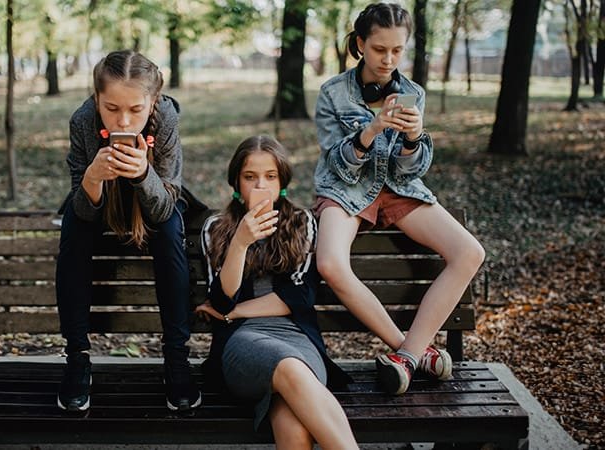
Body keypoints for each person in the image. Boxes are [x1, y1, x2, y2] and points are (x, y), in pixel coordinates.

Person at [312, 2, 486, 395]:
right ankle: (411, 352)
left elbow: (409, 171)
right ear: (360, 44)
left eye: (397, 50)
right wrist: (371, 130)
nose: (388, 60)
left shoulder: (413, 94)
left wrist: (413, 138)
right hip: (346, 189)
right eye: (379, 49)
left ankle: (405, 357)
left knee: (470, 252)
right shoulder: (332, 93)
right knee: (330, 263)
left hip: (398, 189)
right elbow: (338, 166)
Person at [55, 49, 201, 412]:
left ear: (153, 101)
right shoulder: (83, 121)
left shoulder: (166, 118)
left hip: (153, 207)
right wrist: (92, 178)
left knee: (171, 228)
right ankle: (77, 357)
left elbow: (164, 207)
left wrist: (142, 174)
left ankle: (177, 358)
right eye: (111, 108)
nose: (123, 120)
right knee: (73, 226)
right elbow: (83, 209)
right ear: (96, 100)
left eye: (136, 109)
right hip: (100, 209)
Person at [196, 135, 359, 450]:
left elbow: (298, 298)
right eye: (250, 177)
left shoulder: (301, 222)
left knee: (294, 429)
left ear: (282, 181)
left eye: (270, 176)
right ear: (236, 182)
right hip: (242, 341)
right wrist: (240, 243)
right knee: (290, 368)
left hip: (298, 338)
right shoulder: (216, 227)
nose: (261, 185)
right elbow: (222, 300)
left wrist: (236, 311)